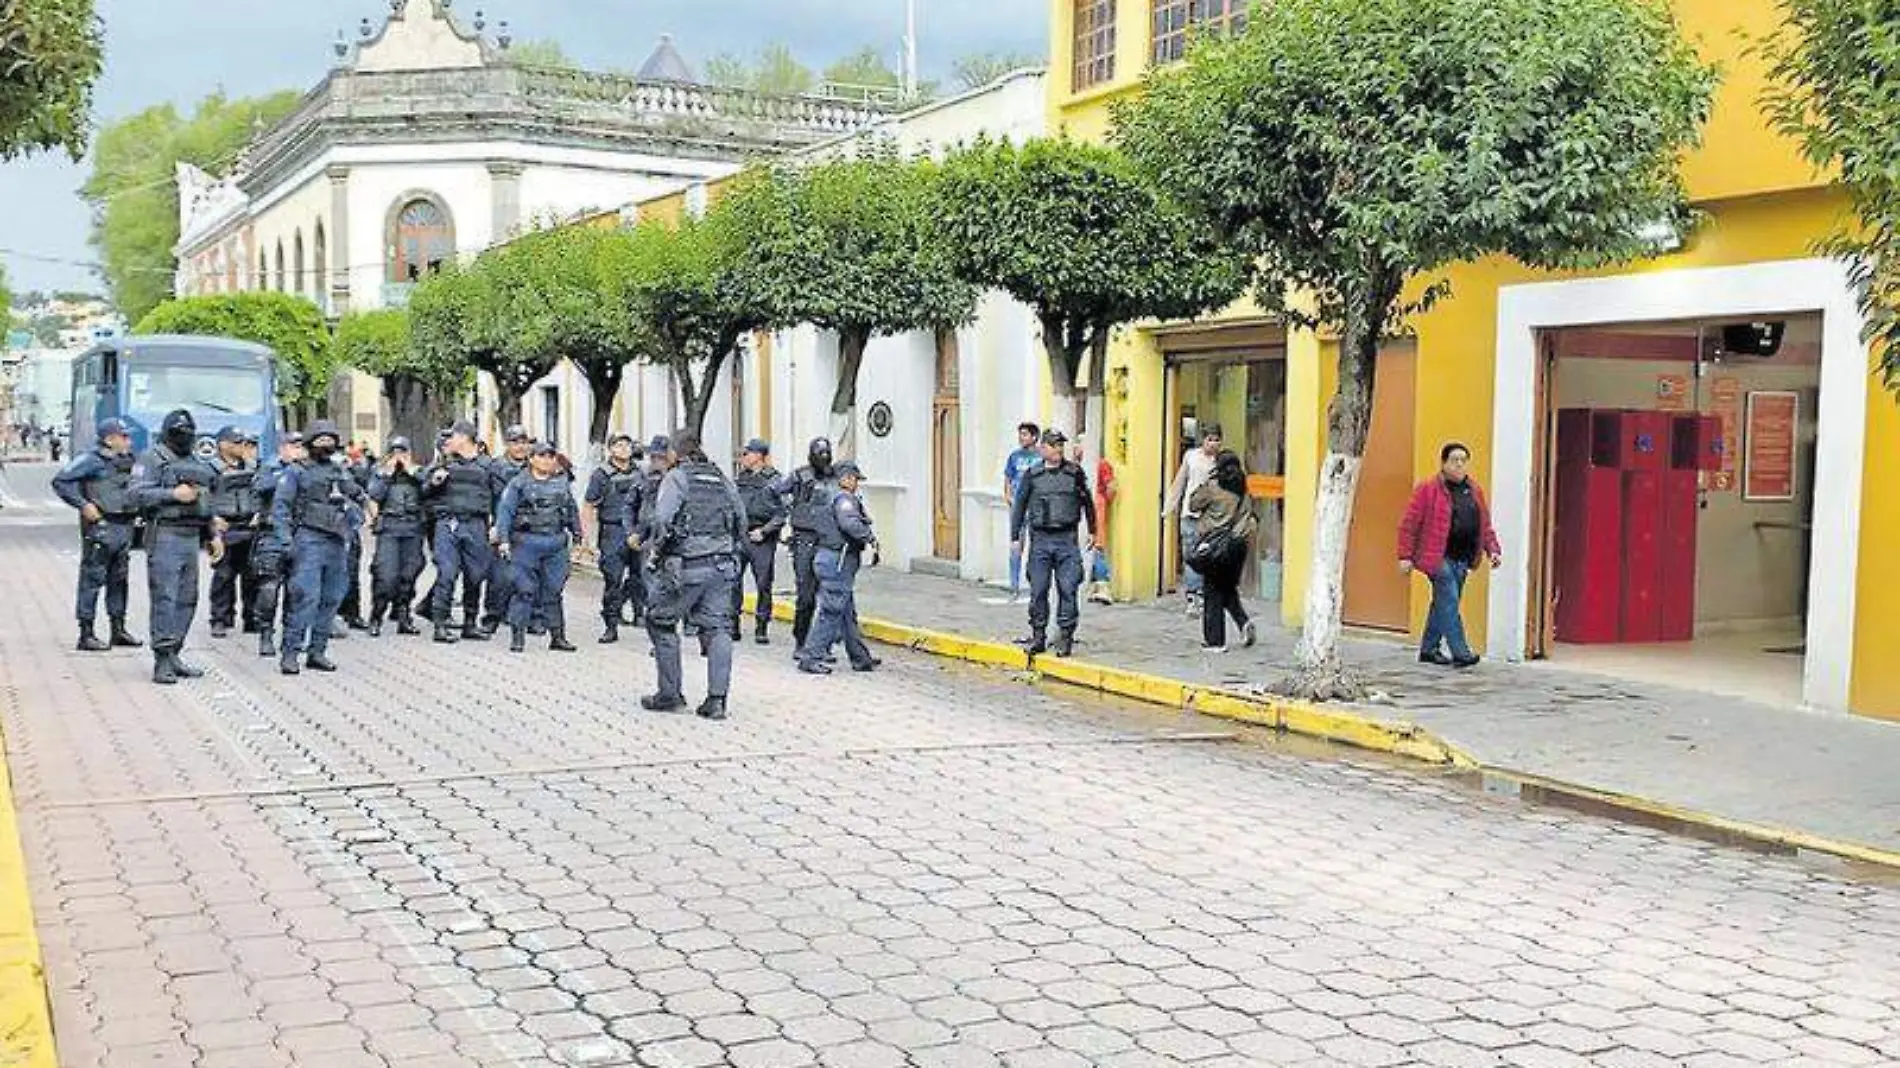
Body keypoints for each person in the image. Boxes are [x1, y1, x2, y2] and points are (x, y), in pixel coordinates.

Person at [640, 429, 745, 721]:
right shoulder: (721, 478)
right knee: (718, 628)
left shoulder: (677, 477)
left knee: (659, 620)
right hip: (722, 564)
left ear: (676, 453)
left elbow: (662, 519)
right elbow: (741, 518)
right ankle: (716, 701)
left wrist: (658, 551)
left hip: (687, 565)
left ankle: (670, 694)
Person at [128, 408, 223, 685]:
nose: (186, 438)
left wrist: (212, 534)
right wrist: (172, 494)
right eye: (180, 433)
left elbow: (205, 501)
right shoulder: (151, 458)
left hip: (191, 536)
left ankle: (175, 653)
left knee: (187, 599)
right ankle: (162, 659)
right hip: (164, 534)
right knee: (165, 600)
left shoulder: (194, 460)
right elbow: (135, 494)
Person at [273, 421, 367, 675]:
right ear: (309, 442)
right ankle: (291, 653)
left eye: (330, 440)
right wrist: (285, 542)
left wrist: (355, 514)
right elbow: (280, 508)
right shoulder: (297, 472)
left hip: (336, 541)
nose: (325, 445)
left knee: (332, 597)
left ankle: (317, 651)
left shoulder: (340, 471)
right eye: (320, 440)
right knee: (305, 597)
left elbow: (358, 496)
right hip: (308, 539)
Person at [1399, 442, 1502, 669]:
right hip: (1436, 557)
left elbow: (1484, 525)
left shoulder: (1474, 491)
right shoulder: (1427, 489)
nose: (1459, 464)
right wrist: (1404, 556)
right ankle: (1460, 652)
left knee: (1443, 603)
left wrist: (1493, 549)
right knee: (1450, 600)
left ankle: (1429, 649)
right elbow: (1409, 524)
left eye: (1463, 460)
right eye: (1454, 460)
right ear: (1443, 463)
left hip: (1462, 558)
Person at [50, 417, 143, 652]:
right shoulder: (91, 460)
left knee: (119, 579)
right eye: (124, 437)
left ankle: (118, 629)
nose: (128, 441)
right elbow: (61, 481)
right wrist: (83, 505)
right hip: (101, 526)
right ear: (109, 439)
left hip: (124, 525)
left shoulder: (128, 461)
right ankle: (86, 633)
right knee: (92, 579)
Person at [1011, 428, 1096, 658]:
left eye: (1060, 445)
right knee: (1038, 589)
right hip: (1040, 539)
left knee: (1068, 588)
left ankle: (1065, 637)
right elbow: (1019, 505)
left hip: (1066, 539)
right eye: (1053, 445)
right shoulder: (1033, 475)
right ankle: (1038, 636)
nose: (1058, 449)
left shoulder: (1074, 473)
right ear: (1042, 448)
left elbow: (1087, 502)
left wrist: (1093, 530)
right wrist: (1015, 538)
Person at [424, 421, 508, 643]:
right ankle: (440, 625)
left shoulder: (489, 466)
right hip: (448, 524)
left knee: (475, 575)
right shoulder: (443, 465)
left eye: (453, 436)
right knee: (446, 573)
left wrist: (498, 526)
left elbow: (501, 499)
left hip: (476, 525)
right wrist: (434, 481)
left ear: (464, 438)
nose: (448, 441)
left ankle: (470, 624)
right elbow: (424, 492)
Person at [495, 441, 583, 654]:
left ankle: (558, 636)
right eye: (541, 456)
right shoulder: (518, 484)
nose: (546, 460)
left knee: (553, 590)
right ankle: (518, 637)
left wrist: (579, 536)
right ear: (532, 459)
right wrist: (503, 540)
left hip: (555, 543)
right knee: (524, 589)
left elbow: (571, 511)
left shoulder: (561, 484)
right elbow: (505, 512)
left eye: (550, 456)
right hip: (525, 543)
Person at [798, 460, 881, 676]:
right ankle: (811, 656)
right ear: (845, 478)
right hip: (838, 560)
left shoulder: (825, 493)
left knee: (846, 612)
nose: (856, 485)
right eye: (854, 479)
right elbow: (849, 524)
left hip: (828, 557)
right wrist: (870, 538)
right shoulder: (843, 499)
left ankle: (860, 657)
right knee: (831, 610)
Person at [1187, 450, 1259, 651]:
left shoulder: (1213, 486)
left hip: (1215, 546)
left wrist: (1205, 481)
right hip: (1238, 546)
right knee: (1226, 588)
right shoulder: (1243, 489)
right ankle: (1244, 623)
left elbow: (1193, 504)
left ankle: (1215, 641)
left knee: (1212, 592)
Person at [775, 437, 838, 657]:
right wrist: (791, 507)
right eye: (820, 453)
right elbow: (778, 491)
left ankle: (823, 644)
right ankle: (801, 642)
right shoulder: (799, 475)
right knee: (806, 597)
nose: (824, 458)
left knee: (830, 596)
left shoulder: (835, 477)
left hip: (828, 540)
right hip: (804, 541)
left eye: (826, 453)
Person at [584, 433, 644, 643]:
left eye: (627, 445)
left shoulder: (641, 472)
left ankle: (639, 614)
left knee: (640, 577)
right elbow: (589, 505)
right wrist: (588, 538)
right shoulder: (601, 474)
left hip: (637, 530)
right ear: (611, 449)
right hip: (612, 531)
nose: (624, 449)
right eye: (619, 445)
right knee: (612, 579)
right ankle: (610, 624)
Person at [366, 437, 428, 637]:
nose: (399, 456)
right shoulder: (381, 473)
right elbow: (374, 495)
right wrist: (387, 474)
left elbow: (429, 488)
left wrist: (412, 470)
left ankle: (404, 617)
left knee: (408, 576)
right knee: (385, 575)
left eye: (403, 452)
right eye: (395, 452)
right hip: (390, 528)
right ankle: (376, 616)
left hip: (413, 528)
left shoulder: (418, 472)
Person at [251, 432, 305, 657]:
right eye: (293, 446)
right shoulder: (270, 468)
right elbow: (259, 487)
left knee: (298, 590)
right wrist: (287, 472)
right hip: (272, 533)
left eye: (301, 446)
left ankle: (292, 637)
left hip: (299, 532)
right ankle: (265, 634)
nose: (297, 450)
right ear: (283, 448)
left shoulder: (307, 470)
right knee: (269, 588)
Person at [206, 426, 261, 639]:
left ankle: (251, 617)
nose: (243, 447)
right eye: (237, 443)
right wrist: (211, 520)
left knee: (252, 575)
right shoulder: (211, 469)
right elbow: (203, 498)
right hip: (223, 527)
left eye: (244, 443)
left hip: (248, 525)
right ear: (223, 444)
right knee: (223, 575)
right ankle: (220, 618)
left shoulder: (252, 467)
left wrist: (258, 513)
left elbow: (259, 493)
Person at [732, 439, 787, 645]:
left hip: (762, 538)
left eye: (747, 453)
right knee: (733, 580)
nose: (743, 457)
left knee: (763, 583)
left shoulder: (775, 480)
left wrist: (764, 531)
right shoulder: (741, 478)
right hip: (742, 535)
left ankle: (761, 627)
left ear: (758, 456)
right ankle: (733, 625)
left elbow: (782, 513)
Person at [481, 426, 535, 636]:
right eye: (516, 442)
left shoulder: (536, 465)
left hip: (530, 528)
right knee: (499, 577)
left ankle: (529, 618)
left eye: (524, 442)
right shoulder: (495, 467)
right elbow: (485, 497)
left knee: (529, 575)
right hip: (502, 526)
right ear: (507, 444)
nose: (521, 447)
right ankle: (492, 618)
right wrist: (491, 524)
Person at [1165, 424, 1223, 612]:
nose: (1213, 444)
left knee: (1209, 555)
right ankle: (1193, 595)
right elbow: (1180, 481)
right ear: (1203, 440)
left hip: (1212, 517)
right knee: (1191, 554)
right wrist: (1170, 506)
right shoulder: (1191, 457)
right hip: (1190, 514)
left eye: (1216, 439)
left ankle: (1205, 594)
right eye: (1210, 439)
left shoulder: (1222, 461)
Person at [1001, 422, 1042, 601]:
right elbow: (1008, 477)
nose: (1021, 438)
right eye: (1020, 434)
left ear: (1034, 437)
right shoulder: (1014, 457)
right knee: (1016, 546)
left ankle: (1035, 584)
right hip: (1018, 507)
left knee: (1037, 548)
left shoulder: (1041, 456)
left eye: (1025, 434)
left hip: (1036, 508)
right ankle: (1014, 585)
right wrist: (1008, 496)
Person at [339, 445, 377, 630]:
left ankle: (351, 614)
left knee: (351, 571)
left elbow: (361, 495)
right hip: (325, 530)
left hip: (348, 528)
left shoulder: (344, 473)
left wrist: (373, 518)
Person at [1089, 447, 1118, 605]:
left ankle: (1103, 585)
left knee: (1097, 547)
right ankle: (1094, 586)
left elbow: (1111, 487)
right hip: (1088, 507)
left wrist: (1103, 501)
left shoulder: (1101, 464)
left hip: (1096, 506)